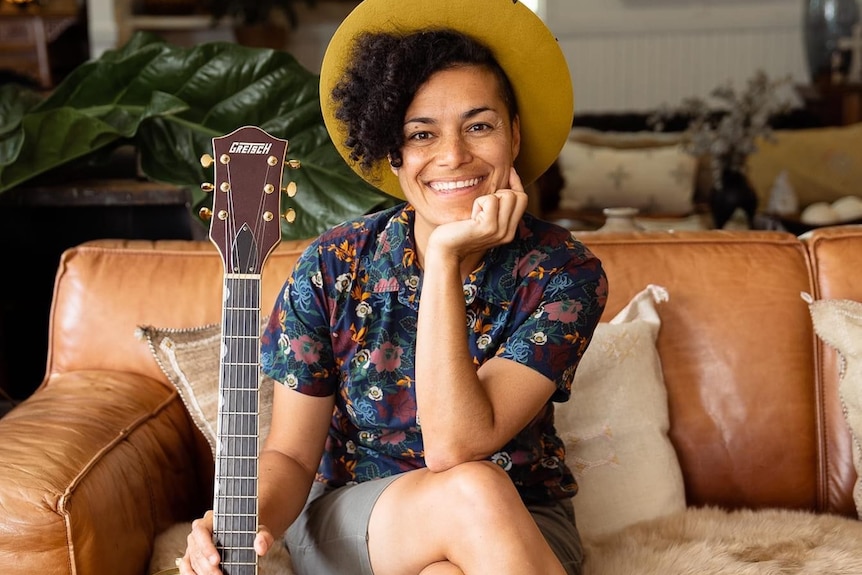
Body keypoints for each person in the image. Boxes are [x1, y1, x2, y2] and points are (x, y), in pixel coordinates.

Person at [180, 0, 607, 574]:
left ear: (514, 136)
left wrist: (447, 259)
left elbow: (455, 444)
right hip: (358, 521)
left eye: (479, 126)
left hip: (522, 522)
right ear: (393, 152)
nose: (453, 155)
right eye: (421, 134)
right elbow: (288, 452)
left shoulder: (563, 273)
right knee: (471, 491)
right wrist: (237, 522)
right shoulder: (334, 266)